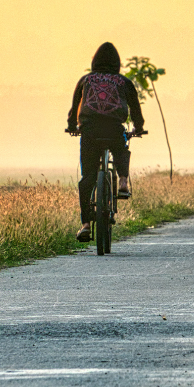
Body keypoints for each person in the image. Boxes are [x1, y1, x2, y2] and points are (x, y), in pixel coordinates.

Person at [67, 42, 144, 242]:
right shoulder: (124, 82)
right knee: (120, 148)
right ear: (117, 63)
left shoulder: (85, 80)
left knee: (87, 178)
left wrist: (72, 127)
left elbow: (74, 106)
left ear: (94, 62)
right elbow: (135, 109)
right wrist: (139, 127)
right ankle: (124, 181)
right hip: (113, 127)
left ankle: (85, 225)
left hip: (90, 130)